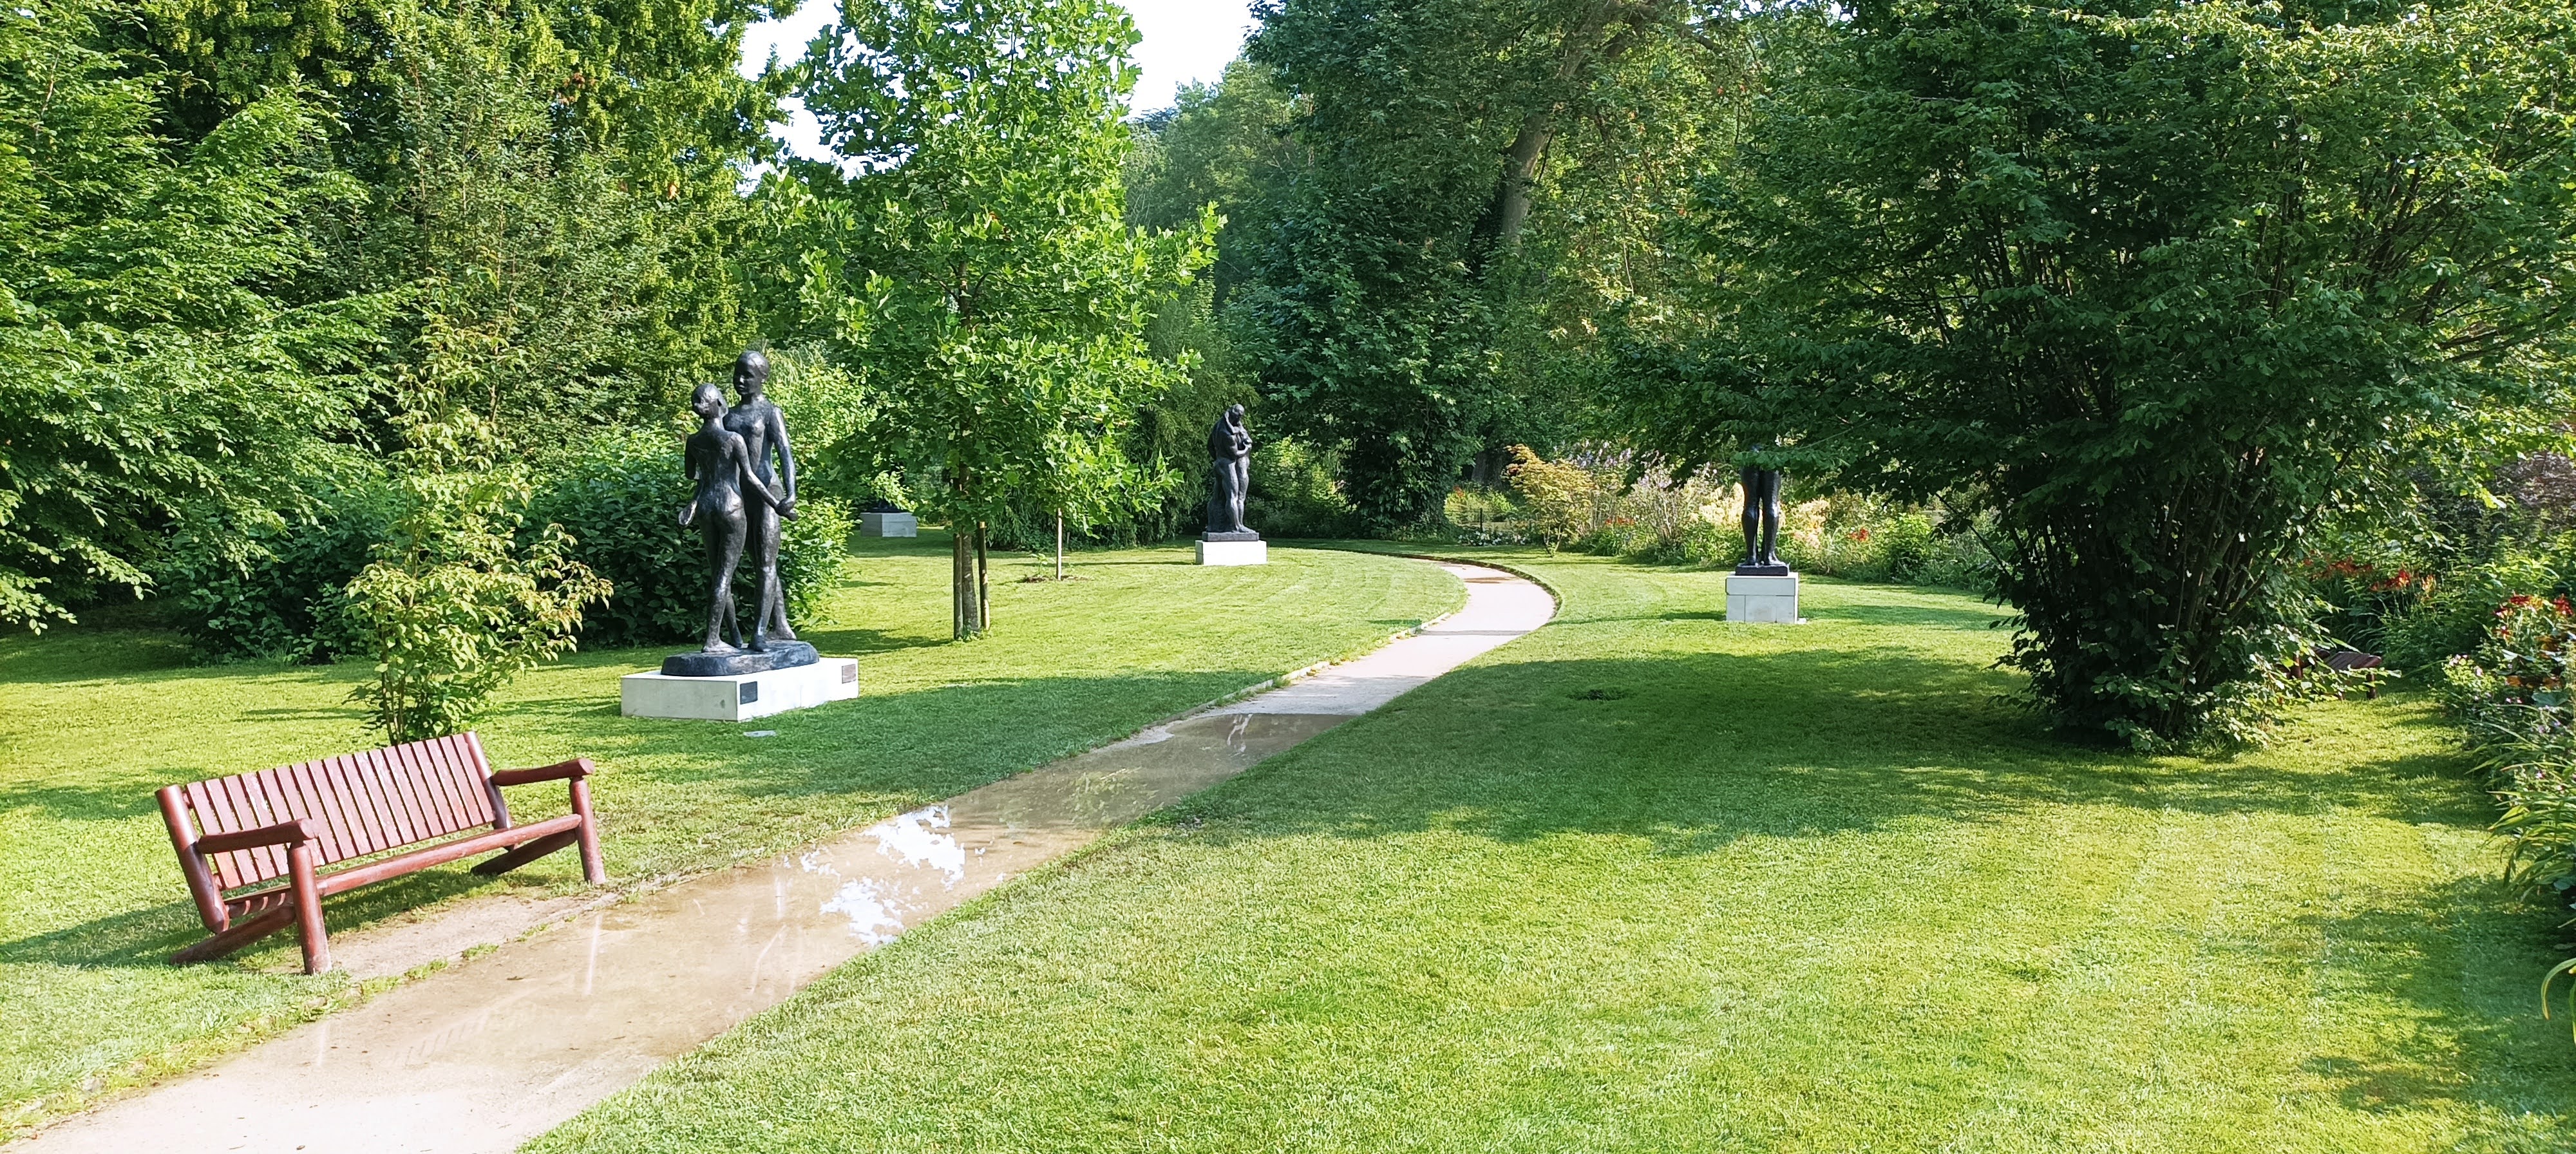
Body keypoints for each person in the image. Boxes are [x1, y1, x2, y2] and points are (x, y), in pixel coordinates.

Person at [679, 381, 779, 652]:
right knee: (725, 576)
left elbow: (693, 475)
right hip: (730, 506)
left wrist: (695, 499)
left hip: (706, 508)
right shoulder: (733, 439)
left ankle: (734, 637)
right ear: (719, 405)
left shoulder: (693, 441)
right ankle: (713, 640)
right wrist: (777, 505)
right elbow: (751, 478)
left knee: (718, 575)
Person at [722, 350, 799, 648]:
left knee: (766, 564)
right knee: (757, 562)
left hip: (768, 494)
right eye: (737, 374)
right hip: (739, 494)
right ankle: (782, 626)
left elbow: (785, 453)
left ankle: (760, 633)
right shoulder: (727, 416)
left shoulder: (770, 412)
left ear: (762, 378)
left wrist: (791, 493)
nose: (740, 381)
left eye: (748, 376)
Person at [1206, 404, 1253, 536]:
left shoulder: (1219, 426)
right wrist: (1247, 449)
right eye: (1240, 416)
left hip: (1222, 463)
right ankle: (1237, 526)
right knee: (1236, 497)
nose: (1241, 419)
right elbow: (1235, 454)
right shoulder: (1228, 434)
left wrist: (1218, 459)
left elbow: (1210, 446)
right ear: (1235, 415)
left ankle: (1215, 526)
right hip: (1228, 464)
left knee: (1219, 496)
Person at [1739, 453, 1785, 572]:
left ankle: (1752, 556)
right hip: (1772, 453)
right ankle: (1769, 556)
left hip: (1749, 453)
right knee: (1771, 503)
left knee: (1750, 504)